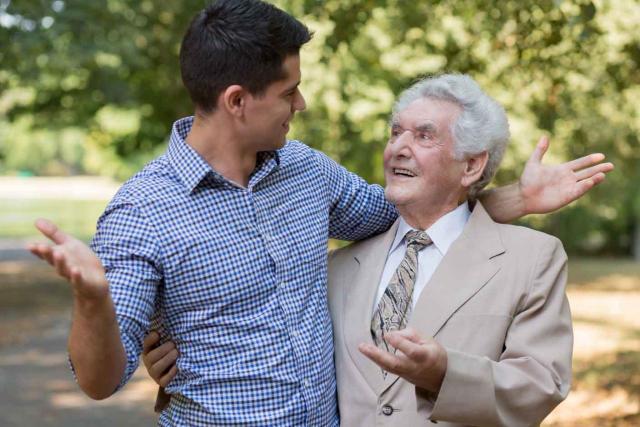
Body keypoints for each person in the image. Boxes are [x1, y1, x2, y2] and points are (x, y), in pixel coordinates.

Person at [29, 0, 612, 425]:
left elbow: (407, 214)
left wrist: (515, 199)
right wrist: (92, 302)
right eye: (288, 92)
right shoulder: (140, 213)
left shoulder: (306, 170)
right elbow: (100, 381)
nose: (301, 104)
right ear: (237, 101)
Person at [145, 74, 585, 426]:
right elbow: (272, 344)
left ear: (472, 165)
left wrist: (445, 374)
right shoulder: (337, 267)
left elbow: (541, 385)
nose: (398, 147)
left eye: (424, 136)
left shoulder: (533, 260)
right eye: (396, 132)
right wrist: (182, 357)